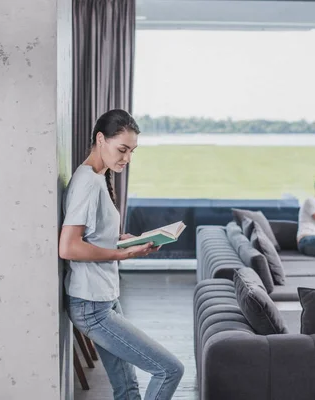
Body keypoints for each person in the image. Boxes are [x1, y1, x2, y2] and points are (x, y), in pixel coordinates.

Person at [59, 109, 184, 400]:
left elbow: (91, 234)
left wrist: (125, 240)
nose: (126, 158)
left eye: (132, 151)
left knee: (127, 389)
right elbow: (68, 246)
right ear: (101, 139)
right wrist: (122, 254)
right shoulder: (88, 183)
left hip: (104, 298)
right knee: (169, 370)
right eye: (122, 149)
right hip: (92, 304)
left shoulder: (95, 177)